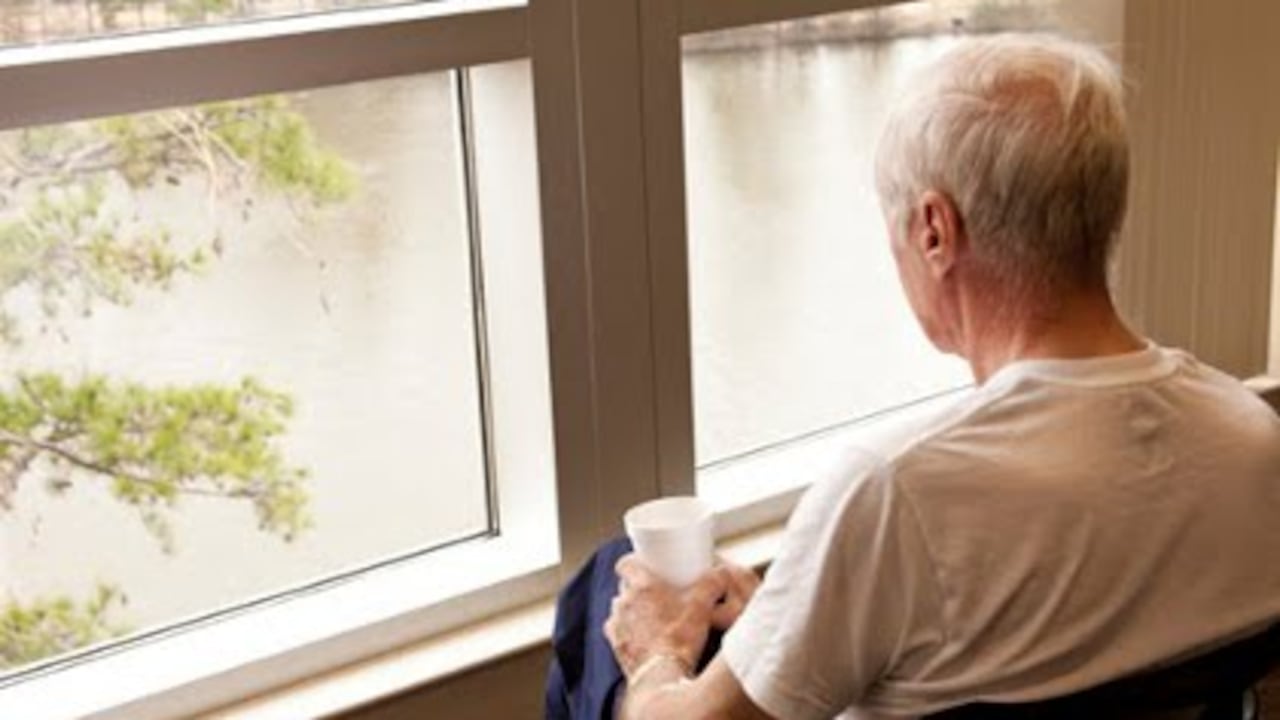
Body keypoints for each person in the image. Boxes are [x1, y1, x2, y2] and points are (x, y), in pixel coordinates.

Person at [603, 34, 1280, 720]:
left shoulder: (895, 492)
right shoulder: (1253, 440)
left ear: (934, 230)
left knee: (607, 589)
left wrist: (655, 652)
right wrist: (780, 627)